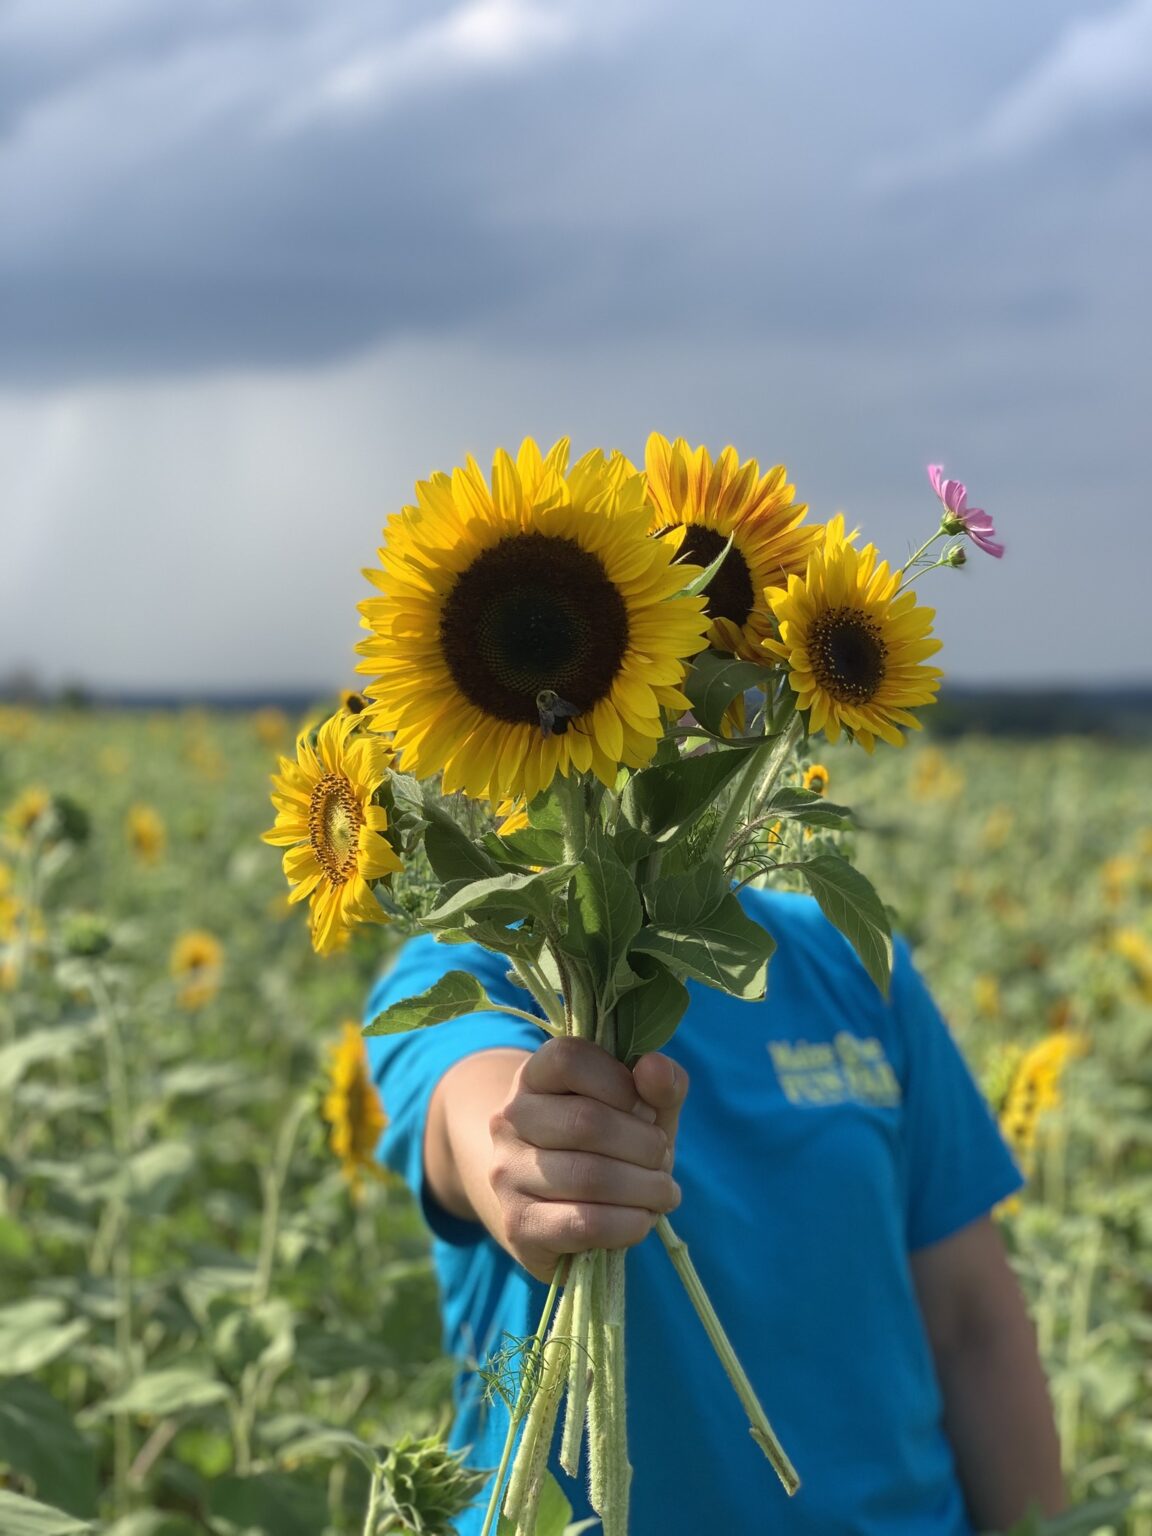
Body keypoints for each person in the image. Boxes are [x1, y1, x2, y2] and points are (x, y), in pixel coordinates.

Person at [364, 885, 1065, 1535]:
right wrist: (537, 1157)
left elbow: (972, 1325)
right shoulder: (485, 956)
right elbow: (477, 1119)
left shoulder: (847, 955)